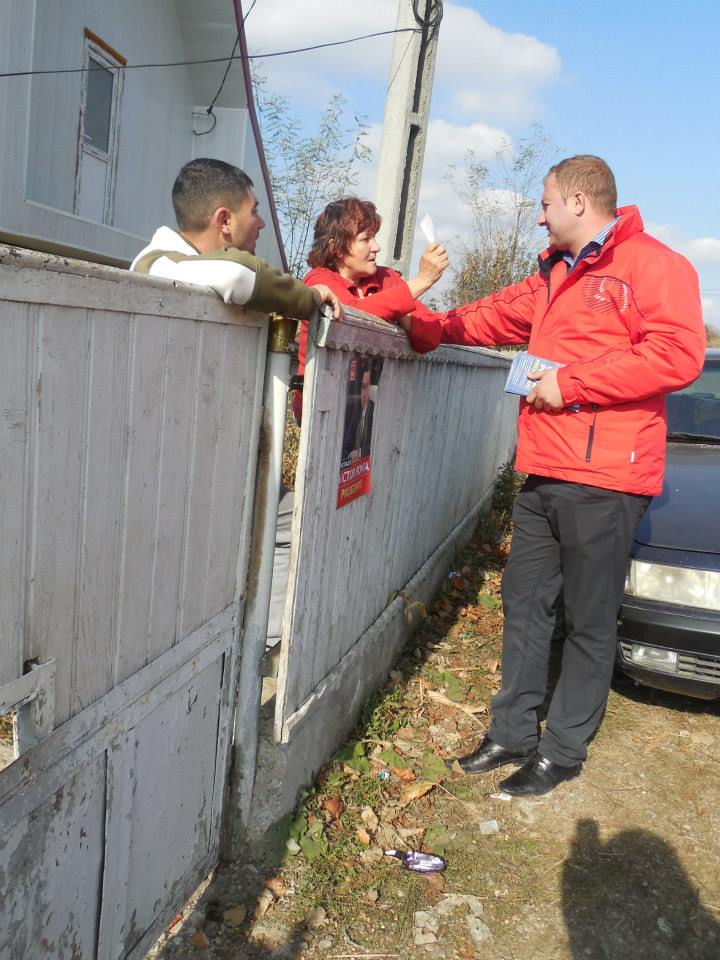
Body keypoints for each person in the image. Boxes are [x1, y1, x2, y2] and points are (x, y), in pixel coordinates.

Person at [414, 155, 705, 796]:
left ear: (578, 201)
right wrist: (416, 323)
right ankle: (511, 732)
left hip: (606, 477)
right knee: (524, 603)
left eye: (544, 203)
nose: (539, 216)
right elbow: (486, 318)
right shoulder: (554, 273)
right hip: (544, 468)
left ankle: (564, 749)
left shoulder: (652, 266)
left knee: (588, 618)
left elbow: (677, 354)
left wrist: (571, 383)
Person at [130, 158, 342, 322]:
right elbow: (237, 275)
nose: (261, 223)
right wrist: (312, 296)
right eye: (254, 211)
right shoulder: (155, 264)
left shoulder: (183, 264)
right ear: (224, 221)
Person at [295, 197, 448, 387]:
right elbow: (352, 318)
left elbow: (431, 337)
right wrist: (422, 280)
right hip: (321, 399)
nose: (376, 247)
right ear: (336, 247)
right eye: (365, 239)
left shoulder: (387, 278)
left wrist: (400, 315)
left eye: (374, 237)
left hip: (369, 400)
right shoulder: (318, 280)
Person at [341, 366, 375, 463]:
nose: (363, 392)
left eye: (366, 387)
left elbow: (377, 442)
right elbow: (347, 442)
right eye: (362, 387)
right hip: (354, 467)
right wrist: (345, 460)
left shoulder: (375, 412)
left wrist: (360, 453)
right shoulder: (357, 411)